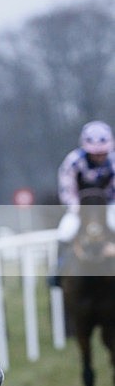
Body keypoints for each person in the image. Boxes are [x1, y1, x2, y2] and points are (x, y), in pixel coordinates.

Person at [51, 120, 115, 284]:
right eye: (95, 153)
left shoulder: (113, 162)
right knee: (65, 230)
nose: (99, 155)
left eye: (103, 152)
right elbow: (66, 191)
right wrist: (79, 210)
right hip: (80, 207)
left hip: (108, 205)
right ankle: (58, 270)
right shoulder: (73, 162)